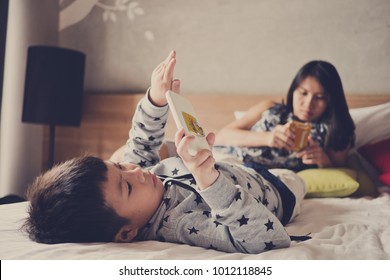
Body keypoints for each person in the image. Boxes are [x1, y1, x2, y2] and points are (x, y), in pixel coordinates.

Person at [24, 51, 308, 254]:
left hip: (240, 169)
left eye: (120, 168)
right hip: (277, 191)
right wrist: (208, 180)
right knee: (301, 179)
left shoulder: (138, 173)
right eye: (127, 187)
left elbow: (140, 142)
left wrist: (155, 100)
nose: (136, 171)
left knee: (159, 150)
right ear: (126, 233)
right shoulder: (180, 224)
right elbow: (269, 239)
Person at [215, 61, 356, 172]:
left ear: (331, 100)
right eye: (303, 93)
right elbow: (222, 136)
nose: (308, 104)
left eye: (319, 97)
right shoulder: (270, 107)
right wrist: (268, 138)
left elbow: (343, 173)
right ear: (293, 90)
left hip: (254, 176)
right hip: (222, 158)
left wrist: (324, 161)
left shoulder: (336, 129)